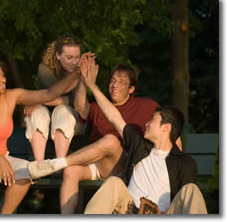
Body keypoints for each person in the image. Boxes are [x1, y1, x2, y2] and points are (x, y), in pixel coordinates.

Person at [27, 56, 160, 213]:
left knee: (111, 140)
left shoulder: (144, 105)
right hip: (98, 165)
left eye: (122, 82)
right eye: (112, 81)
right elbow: (80, 106)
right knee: (70, 172)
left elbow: (168, 123)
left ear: (131, 89)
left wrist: (174, 154)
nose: (114, 85)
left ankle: (56, 164)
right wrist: (84, 80)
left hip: (123, 166)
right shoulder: (98, 107)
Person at [0, 58, 81, 214]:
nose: (3, 80)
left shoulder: (11, 97)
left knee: (26, 170)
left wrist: (76, 72)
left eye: (3, 75)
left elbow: (48, 94)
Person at [79, 56, 207, 214]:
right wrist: (91, 85)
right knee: (113, 183)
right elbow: (114, 116)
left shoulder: (185, 162)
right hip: (130, 209)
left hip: (165, 214)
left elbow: (183, 204)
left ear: (165, 128)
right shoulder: (138, 143)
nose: (146, 123)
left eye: (152, 120)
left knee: (191, 191)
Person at [23, 35, 90, 160]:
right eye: (69, 57)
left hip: (70, 122)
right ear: (58, 55)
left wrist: (41, 100)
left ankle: (59, 165)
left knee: (62, 110)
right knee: (36, 112)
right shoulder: (45, 69)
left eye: (77, 57)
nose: (75, 62)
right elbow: (52, 93)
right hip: (46, 121)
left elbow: (76, 104)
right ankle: (40, 165)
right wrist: (53, 100)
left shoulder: (81, 71)